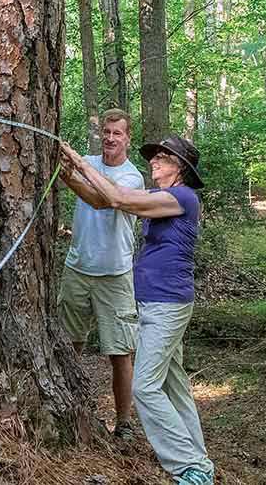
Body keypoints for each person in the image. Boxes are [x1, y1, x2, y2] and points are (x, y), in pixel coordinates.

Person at [60, 134, 214, 485]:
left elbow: (117, 196)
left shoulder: (182, 197)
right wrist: (67, 172)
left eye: (163, 158)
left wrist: (82, 161)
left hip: (167, 304)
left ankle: (189, 467)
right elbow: (104, 202)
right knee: (174, 385)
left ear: (181, 169)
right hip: (156, 302)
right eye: (155, 156)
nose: (154, 162)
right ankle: (199, 459)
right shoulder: (162, 196)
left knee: (145, 387)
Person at [57, 109, 144, 440]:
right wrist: (68, 165)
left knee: (120, 352)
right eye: (106, 132)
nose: (110, 138)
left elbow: (102, 199)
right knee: (69, 344)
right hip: (77, 269)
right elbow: (78, 180)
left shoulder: (133, 177)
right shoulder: (89, 161)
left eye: (117, 133)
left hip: (115, 275)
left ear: (127, 138)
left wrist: (75, 169)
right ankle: (69, 408)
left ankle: (124, 423)